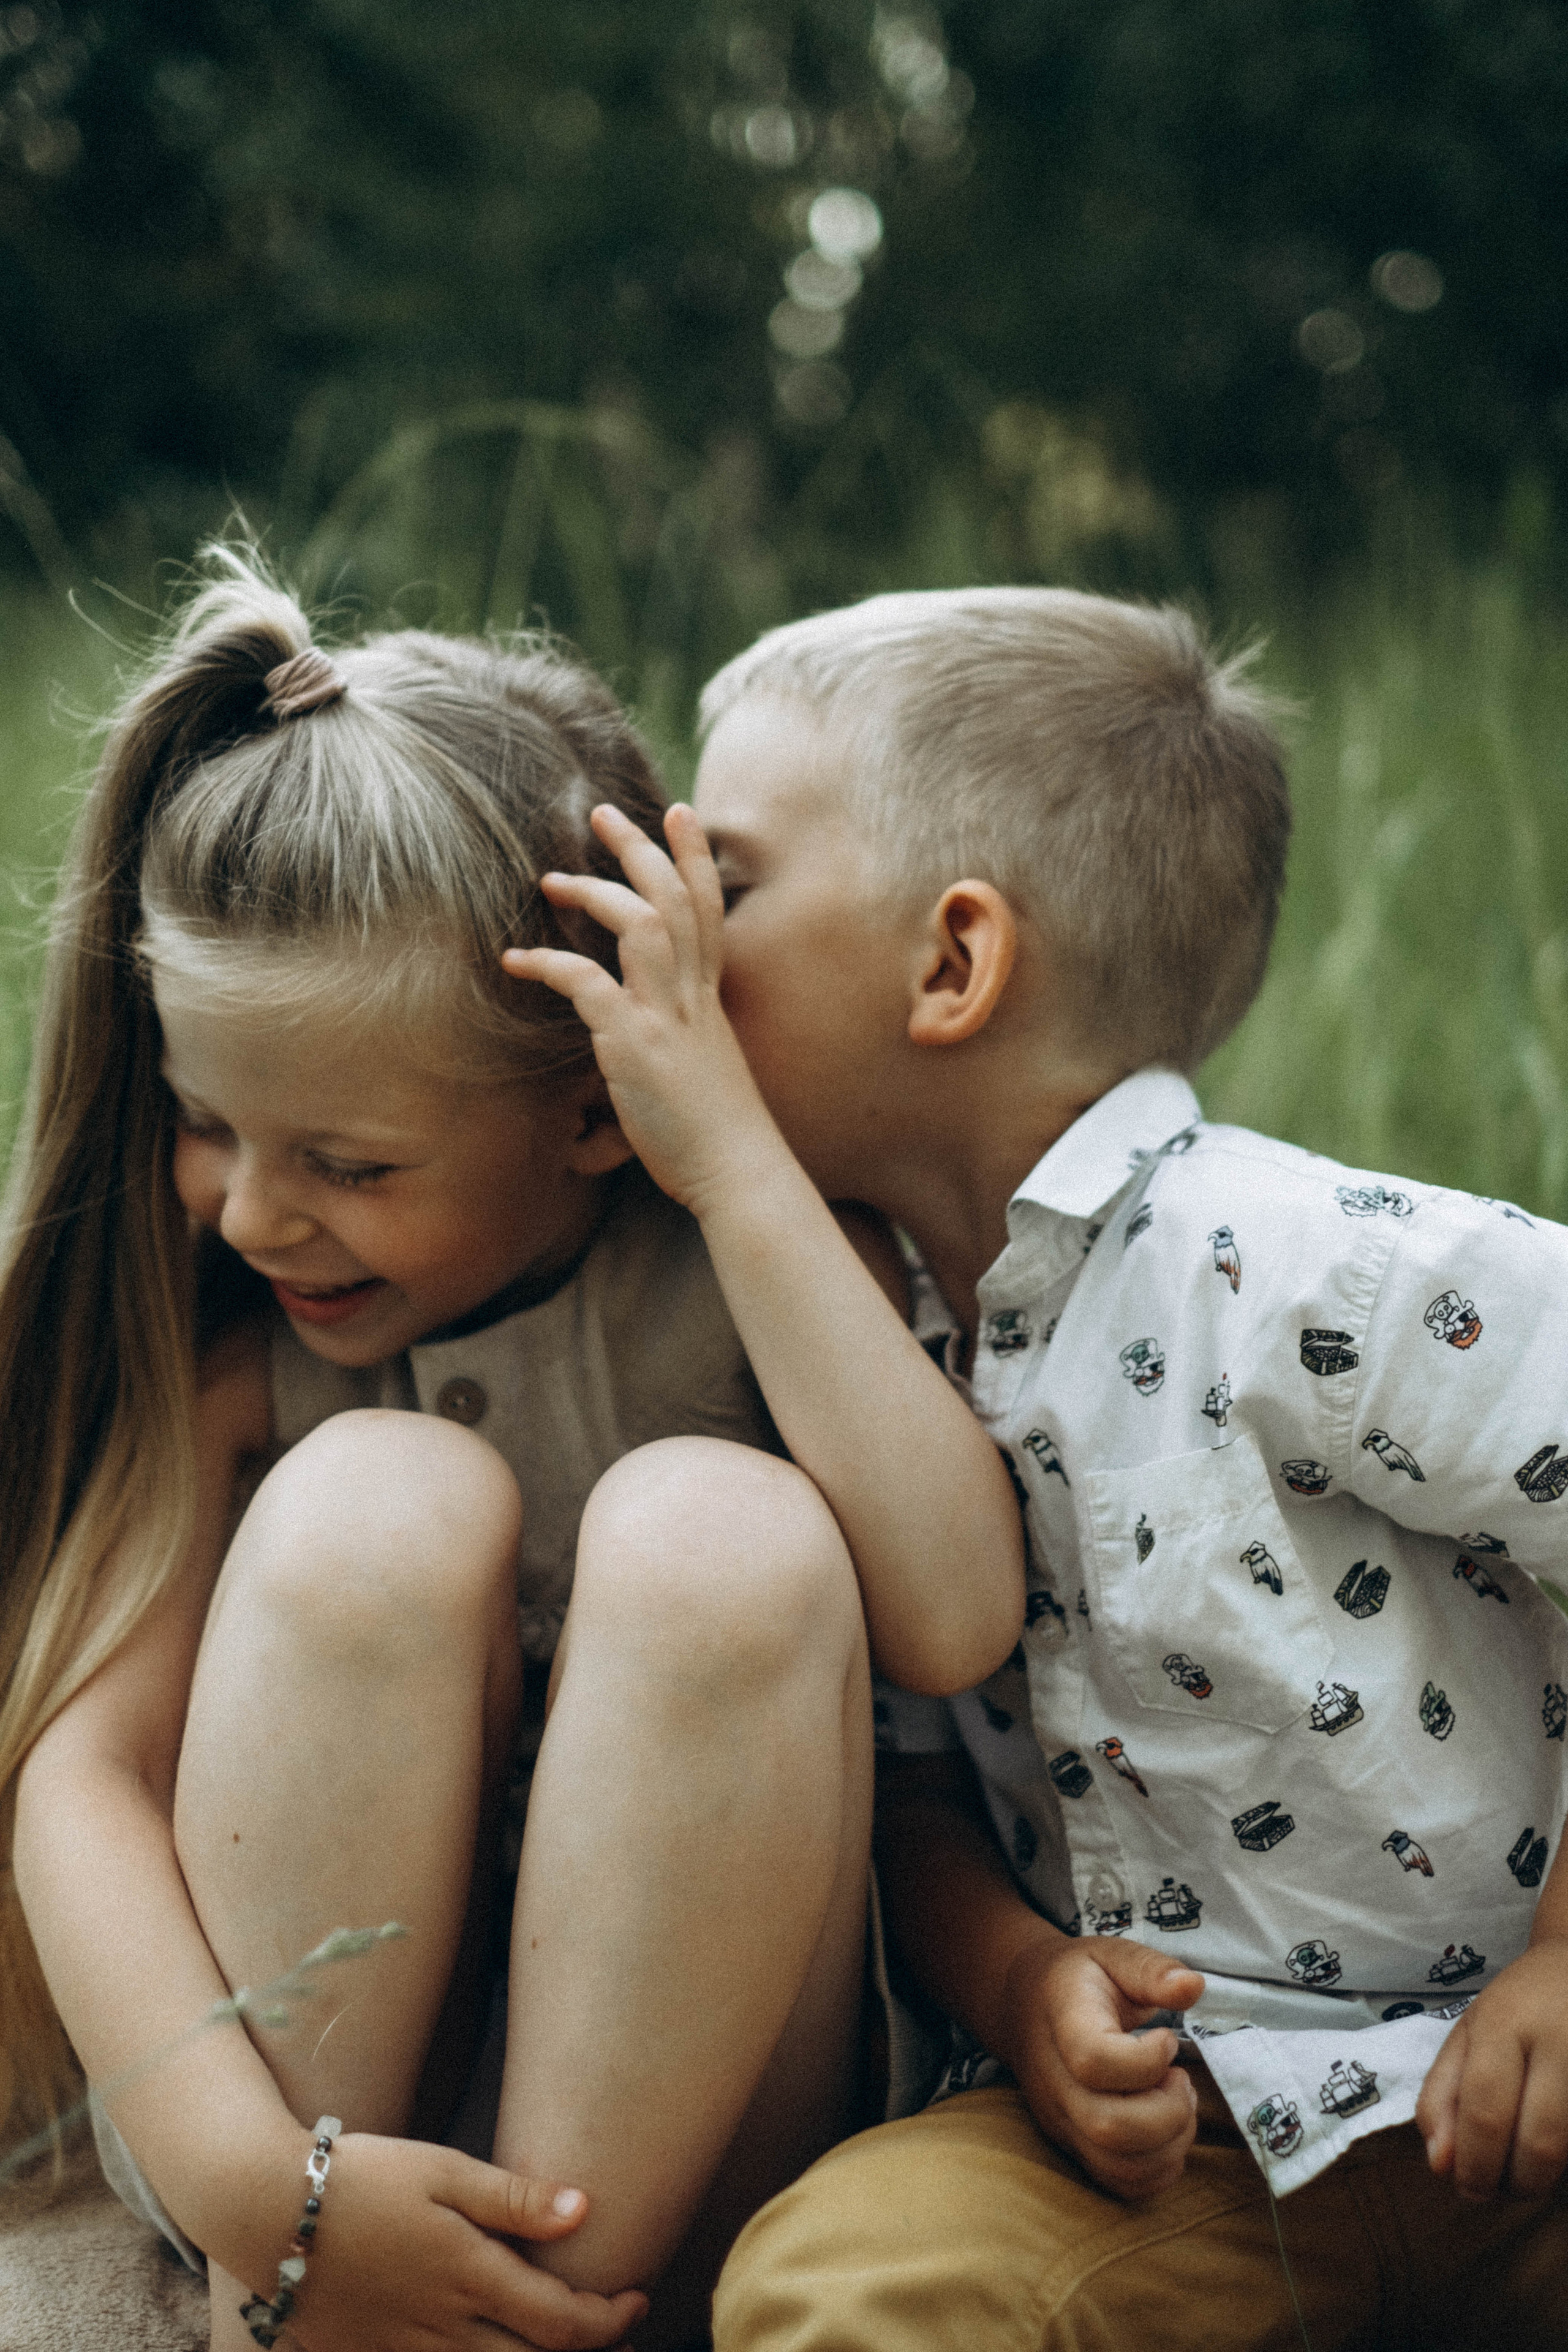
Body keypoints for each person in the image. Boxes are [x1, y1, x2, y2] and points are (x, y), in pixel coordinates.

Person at [1, 554, 1024, 2352]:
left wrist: (728, 1159)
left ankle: (535, 2314)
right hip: (290, 2149)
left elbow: (951, 1619)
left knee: (723, 1532)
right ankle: (302, 2309)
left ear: (593, 1111)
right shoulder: (254, 1374)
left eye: (352, 1164)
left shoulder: (762, 1279)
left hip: (690, 2150)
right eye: (203, 1121)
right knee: (374, 1504)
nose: (249, 1212)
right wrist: (258, 2185)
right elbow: (76, 1782)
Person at [535, 586, 1568, 2350]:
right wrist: (1022, 1992)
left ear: (954, 963)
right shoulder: (860, 1344)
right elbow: (918, 1792)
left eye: (734, 886)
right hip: (1201, 2167)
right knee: (829, 2289)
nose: (679, 940)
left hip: (1523, 2087)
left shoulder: (1304, 1264)